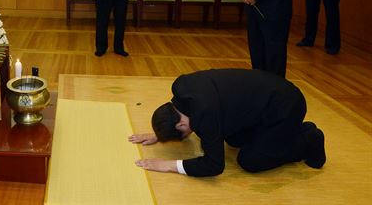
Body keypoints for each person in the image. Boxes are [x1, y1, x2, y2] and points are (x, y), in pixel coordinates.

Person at [129, 69, 326, 177]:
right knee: (233, 139)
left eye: (184, 132)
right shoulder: (182, 86)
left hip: (286, 107)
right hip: (269, 94)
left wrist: (168, 165)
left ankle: (307, 139)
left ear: (180, 125)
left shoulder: (205, 113)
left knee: (250, 161)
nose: (191, 133)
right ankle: (291, 132)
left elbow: (214, 165)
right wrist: (160, 132)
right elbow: (180, 118)